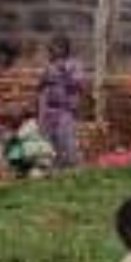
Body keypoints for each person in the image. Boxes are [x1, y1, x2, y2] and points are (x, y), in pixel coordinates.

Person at [38, 33, 90, 169]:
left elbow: (81, 85)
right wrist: (41, 110)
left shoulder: (74, 65)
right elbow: (42, 87)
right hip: (49, 110)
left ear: (64, 49)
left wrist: (64, 73)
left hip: (65, 110)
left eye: (55, 48)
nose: (52, 51)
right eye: (51, 48)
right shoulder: (49, 66)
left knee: (66, 141)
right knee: (49, 142)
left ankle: (73, 166)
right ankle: (53, 167)